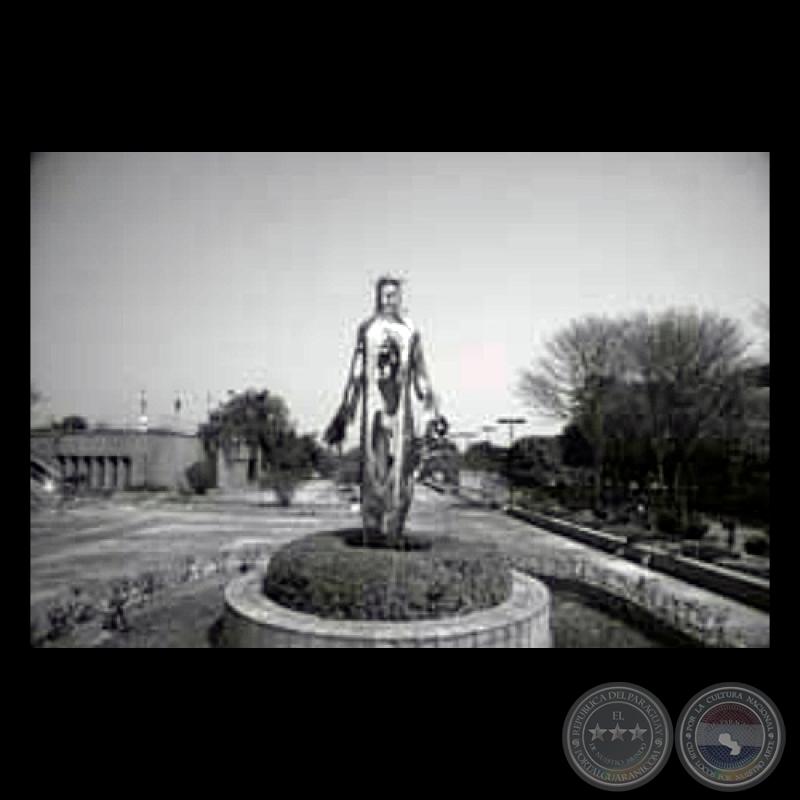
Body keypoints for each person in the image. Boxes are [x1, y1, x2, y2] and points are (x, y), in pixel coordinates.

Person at [325, 277, 441, 541]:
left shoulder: (410, 330)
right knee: (372, 469)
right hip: (373, 409)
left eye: (392, 295)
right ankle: (372, 531)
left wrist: (429, 401)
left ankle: (395, 532)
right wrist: (346, 409)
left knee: (403, 471)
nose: (386, 300)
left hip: (402, 412)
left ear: (400, 297)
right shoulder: (367, 329)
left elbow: (420, 370)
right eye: (382, 295)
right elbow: (356, 370)